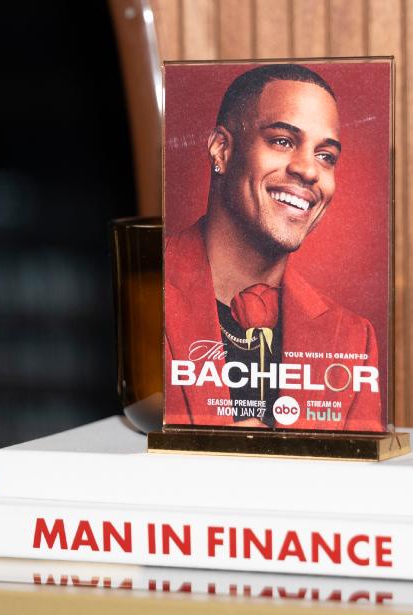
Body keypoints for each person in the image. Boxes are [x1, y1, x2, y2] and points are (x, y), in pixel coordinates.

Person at [163, 64, 384, 432]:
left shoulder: (353, 340)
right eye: (282, 140)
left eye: (325, 155)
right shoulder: (143, 287)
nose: (309, 170)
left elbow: (358, 485)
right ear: (222, 149)